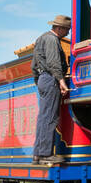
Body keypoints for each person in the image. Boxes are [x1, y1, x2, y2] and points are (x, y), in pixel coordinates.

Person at [31, 15, 71, 165]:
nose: (68, 33)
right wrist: (61, 81)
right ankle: (45, 154)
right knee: (50, 117)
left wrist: (39, 80)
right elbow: (54, 62)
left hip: (43, 78)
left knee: (43, 117)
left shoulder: (41, 38)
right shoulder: (52, 40)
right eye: (67, 29)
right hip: (50, 79)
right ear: (59, 28)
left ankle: (37, 154)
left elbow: (34, 65)